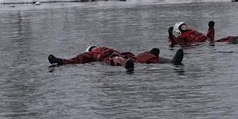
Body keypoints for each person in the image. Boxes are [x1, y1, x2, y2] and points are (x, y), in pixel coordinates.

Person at [48, 46, 183, 70]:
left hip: (126, 56)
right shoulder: (92, 54)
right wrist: (59, 60)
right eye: (93, 47)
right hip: (111, 60)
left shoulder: (109, 48)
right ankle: (127, 66)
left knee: (145, 56)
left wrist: (149, 52)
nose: (96, 47)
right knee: (119, 61)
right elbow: (75, 60)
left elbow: (125, 52)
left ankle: (171, 62)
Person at [169, 21, 238, 47]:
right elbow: (174, 43)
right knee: (227, 41)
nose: (185, 27)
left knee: (228, 38)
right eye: (183, 27)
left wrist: (211, 28)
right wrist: (170, 35)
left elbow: (208, 37)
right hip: (205, 44)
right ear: (178, 31)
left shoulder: (192, 31)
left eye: (185, 26)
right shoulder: (180, 38)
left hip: (208, 41)